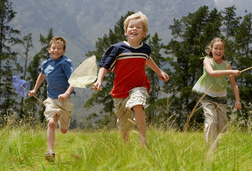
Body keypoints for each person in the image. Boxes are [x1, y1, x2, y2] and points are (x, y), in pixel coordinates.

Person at [92, 12, 169, 145]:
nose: (134, 29)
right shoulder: (117, 49)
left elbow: (147, 59)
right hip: (120, 90)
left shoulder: (145, 49)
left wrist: (159, 71)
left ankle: (142, 139)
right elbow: (105, 66)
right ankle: (126, 146)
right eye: (131, 27)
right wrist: (99, 80)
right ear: (125, 31)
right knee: (124, 124)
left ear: (144, 33)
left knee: (137, 103)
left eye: (138, 27)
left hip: (139, 86)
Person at [29, 36, 75, 161]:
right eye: (53, 48)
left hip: (65, 100)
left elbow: (73, 80)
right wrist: (34, 89)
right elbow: (42, 75)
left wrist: (66, 93)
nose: (56, 50)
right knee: (51, 123)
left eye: (59, 49)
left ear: (63, 51)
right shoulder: (46, 64)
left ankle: (60, 118)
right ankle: (50, 152)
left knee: (64, 130)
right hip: (51, 99)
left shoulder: (65, 63)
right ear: (49, 49)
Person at [192, 37, 241, 148]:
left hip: (220, 97)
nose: (218, 51)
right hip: (206, 95)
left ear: (224, 50)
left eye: (221, 49)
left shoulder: (226, 64)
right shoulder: (207, 60)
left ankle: (216, 144)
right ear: (211, 49)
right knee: (211, 121)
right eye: (216, 48)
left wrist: (237, 100)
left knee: (221, 125)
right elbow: (212, 73)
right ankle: (211, 148)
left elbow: (234, 84)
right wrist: (231, 71)